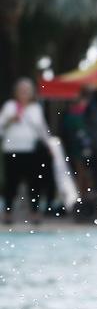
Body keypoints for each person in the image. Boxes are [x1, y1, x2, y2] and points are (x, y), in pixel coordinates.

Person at [1, 78, 52, 225]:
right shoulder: (9, 106)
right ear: (16, 92)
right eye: (21, 90)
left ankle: (34, 212)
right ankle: (8, 213)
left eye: (27, 90)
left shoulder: (36, 108)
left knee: (34, 183)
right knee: (11, 183)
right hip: (12, 150)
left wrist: (49, 145)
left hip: (31, 151)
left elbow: (43, 130)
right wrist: (10, 119)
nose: (24, 93)